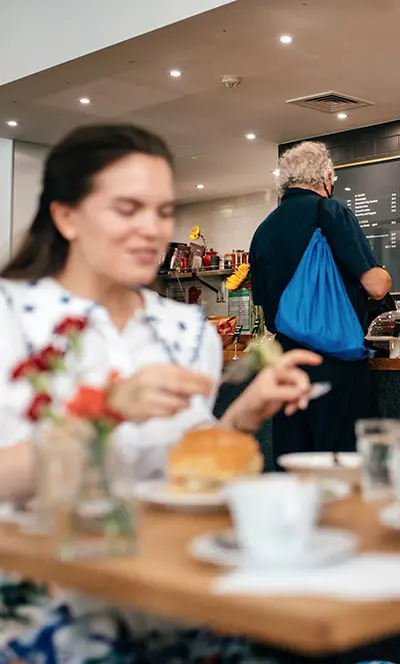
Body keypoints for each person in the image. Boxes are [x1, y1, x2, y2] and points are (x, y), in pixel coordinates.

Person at [0, 124, 318, 660]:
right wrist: (104, 411)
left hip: (176, 595)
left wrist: (241, 417)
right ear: (66, 216)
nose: (152, 229)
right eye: (128, 209)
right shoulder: (13, 318)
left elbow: (179, 475)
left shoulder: (187, 329)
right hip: (43, 609)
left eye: (162, 211)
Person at [249, 141, 392, 463]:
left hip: (285, 365)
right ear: (327, 177)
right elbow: (376, 287)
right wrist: (381, 273)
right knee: (340, 465)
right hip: (335, 362)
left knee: (294, 461)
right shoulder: (330, 211)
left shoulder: (264, 230)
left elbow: (263, 300)